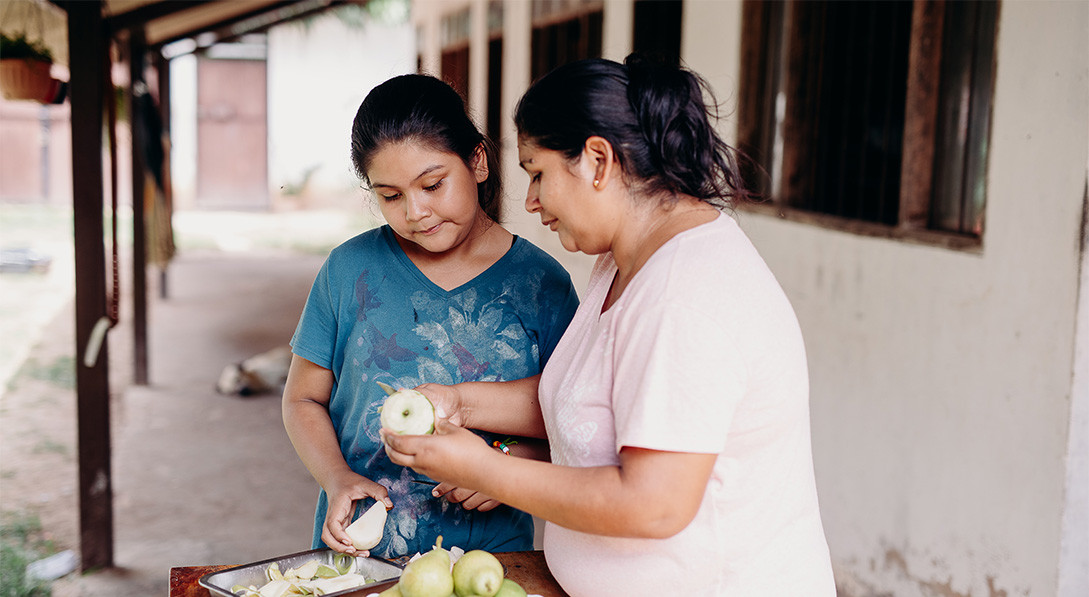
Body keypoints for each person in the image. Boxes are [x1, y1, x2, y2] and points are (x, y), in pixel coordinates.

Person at [382, 55, 836, 595]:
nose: (530, 202)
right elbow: (585, 399)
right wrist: (461, 403)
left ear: (598, 160)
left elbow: (653, 504)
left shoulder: (684, 296)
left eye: (538, 173)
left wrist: (484, 469)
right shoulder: (622, 260)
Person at [282, 74, 580, 559]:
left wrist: (507, 468)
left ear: (478, 161)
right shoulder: (349, 271)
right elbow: (302, 400)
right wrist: (336, 478)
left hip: (491, 559)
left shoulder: (541, 285)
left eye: (433, 184)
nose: (416, 212)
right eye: (391, 196)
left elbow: (575, 420)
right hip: (359, 558)